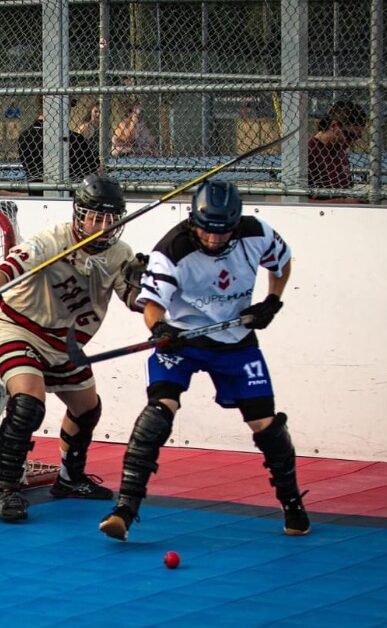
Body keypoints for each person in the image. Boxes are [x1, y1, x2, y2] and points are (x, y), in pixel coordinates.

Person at [99, 180, 308, 542]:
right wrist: (161, 329)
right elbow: (151, 306)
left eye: (223, 232)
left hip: (235, 340)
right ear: (193, 220)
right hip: (182, 338)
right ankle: (124, 510)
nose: (213, 240)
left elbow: (282, 263)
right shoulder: (172, 249)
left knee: (265, 424)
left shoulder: (256, 234)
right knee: (159, 411)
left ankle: (292, 504)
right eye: (206, 231)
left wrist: (272, 302)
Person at [0, 175, 143, 521]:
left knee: (87, 409)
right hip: (20, 328)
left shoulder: (121, 254)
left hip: (65, 345)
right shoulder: (53, 240)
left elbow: (133, 299)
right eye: (94, 217)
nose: (101, 226)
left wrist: (146, 288)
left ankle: (70, 478)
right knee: (29, 404)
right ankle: (7, 489)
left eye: (109, 219)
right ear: (79, 214)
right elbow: (14, 263)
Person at [17, 96, 99, 196]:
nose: (70, 109)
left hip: (36, 198)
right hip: (70, 198)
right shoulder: (74, 139)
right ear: (49, 103)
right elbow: (95, 171)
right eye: (69, 103)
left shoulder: (25, 136)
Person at [308, 100, 367, 202]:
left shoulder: (340, 153)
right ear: (334, 126)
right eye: (349, 135)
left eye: (357, 137)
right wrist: (342, 202)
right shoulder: (309, 151)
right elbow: (297, 202)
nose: (351, 142)